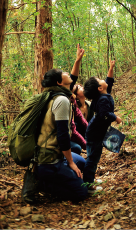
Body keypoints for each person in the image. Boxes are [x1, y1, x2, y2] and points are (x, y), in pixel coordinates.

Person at [35, 45, 88, 202]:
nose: (67, 73)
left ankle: (62, 176)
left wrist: (78, 60)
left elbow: (73, 77)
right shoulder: (62, 100)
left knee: (83, 163)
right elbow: (63, 135)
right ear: (59, 82)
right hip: (50, 160)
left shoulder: (56, 93)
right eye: (63, 73)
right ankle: (43, 185)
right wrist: (70, 163)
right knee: (81, 193)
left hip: (56, 155)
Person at [83, 59, 122, 190]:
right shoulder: (103, 99)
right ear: (100, 88)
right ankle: (88, 185)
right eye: (100, 80)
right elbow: (103, 114)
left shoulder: (103, 94)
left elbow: (109, 81)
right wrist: (115, 117)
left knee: (94, 156)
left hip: (95, 132)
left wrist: (111, 67)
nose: (103, 79)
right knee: (93, 157)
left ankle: (90, 179)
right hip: (94, 134)